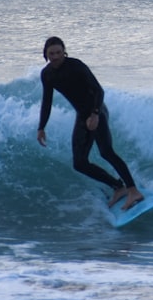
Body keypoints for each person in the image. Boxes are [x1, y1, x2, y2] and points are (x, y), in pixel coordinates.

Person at [37, 36, 145, 211]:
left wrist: (95, 114)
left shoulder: (76, 66)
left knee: (107, 152)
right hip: (82, 116)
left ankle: (133, 191)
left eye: (58, 52)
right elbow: (47, 102)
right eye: (51, 54)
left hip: (97, 110)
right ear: (46, 54)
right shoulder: (47, 74)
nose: (55, 56)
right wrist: (41, 127)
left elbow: (98, 90)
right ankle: (118, 187)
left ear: (64, 51)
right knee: (79, 163)